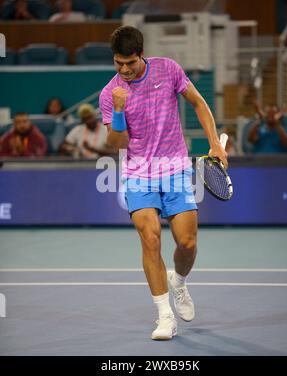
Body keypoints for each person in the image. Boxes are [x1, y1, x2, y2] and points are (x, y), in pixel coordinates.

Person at [99, 26, 228, 340]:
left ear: (141, 54)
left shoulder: (168, 69)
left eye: (130, 62)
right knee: (151, 239)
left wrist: (215, 144)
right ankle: (164, 316)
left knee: (187, 243)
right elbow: (117, 143)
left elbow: (198, 103)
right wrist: (118, 109)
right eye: (119, 63)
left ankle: (179, 282)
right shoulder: (110, 93)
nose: (125, 70)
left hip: (174, 168)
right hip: (137, 172)